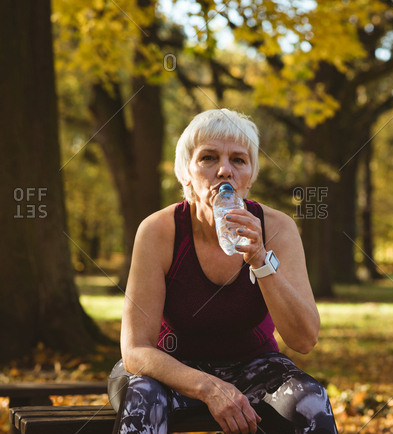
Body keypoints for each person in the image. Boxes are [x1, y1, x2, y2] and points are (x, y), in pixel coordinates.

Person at [108, 109, 338, 434]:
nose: (224, 170)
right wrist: (208, 387)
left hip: (255, 366)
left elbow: (304, 339)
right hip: (168, 370)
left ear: (251, 175)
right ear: (186, 173)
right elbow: (136, 350)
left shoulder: (278, 229)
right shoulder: (159, 231)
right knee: (143, 396)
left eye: (239, 160)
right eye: (209, 158)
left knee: (310, 400)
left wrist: (260, 259)